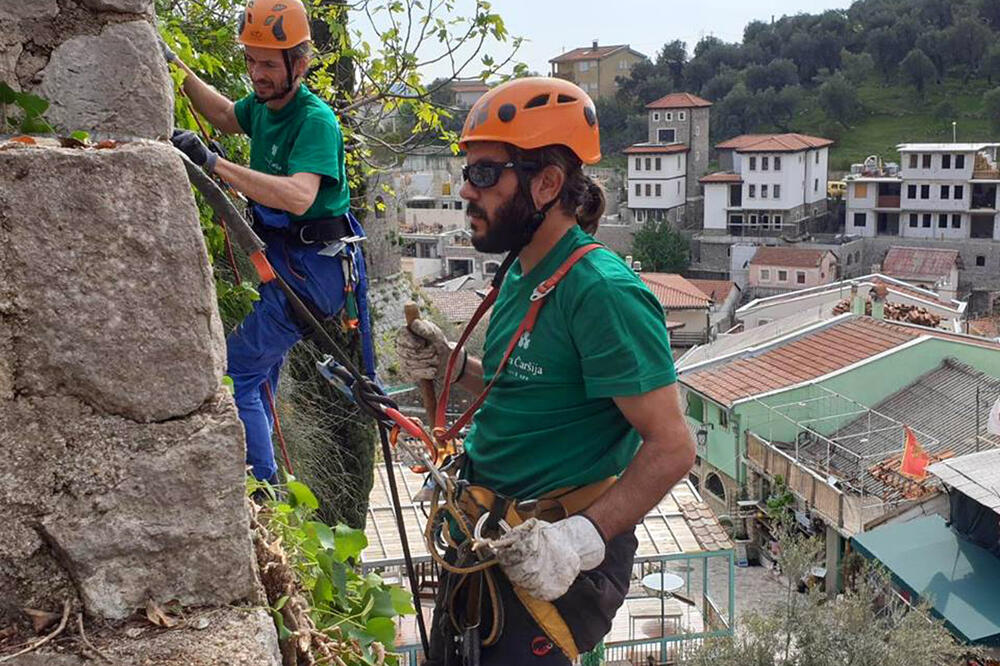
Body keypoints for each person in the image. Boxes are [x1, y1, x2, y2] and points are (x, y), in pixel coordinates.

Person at [395, 77, 697, 665]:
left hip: (548, 563)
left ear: (548, 184)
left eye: (484, 174)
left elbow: (673, 446)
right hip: (487, 542)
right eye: (468, 173)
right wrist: (454, 367)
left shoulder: (602, 293)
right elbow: (528, 385)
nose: (465, 190)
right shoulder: (521, 273)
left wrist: (582, 538)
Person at [163, 0, 375, 483]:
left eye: (267, 63)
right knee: (255, 377)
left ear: (297, 64)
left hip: (313, 271)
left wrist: (215, 166)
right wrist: (173, 65)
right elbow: (220, 113)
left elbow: (300, 196)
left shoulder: (313, 120)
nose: (256, 73)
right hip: (290, 261)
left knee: (238, 373)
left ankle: (262, 489)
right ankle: (265, 481)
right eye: (251, 61)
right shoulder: (263, 107)